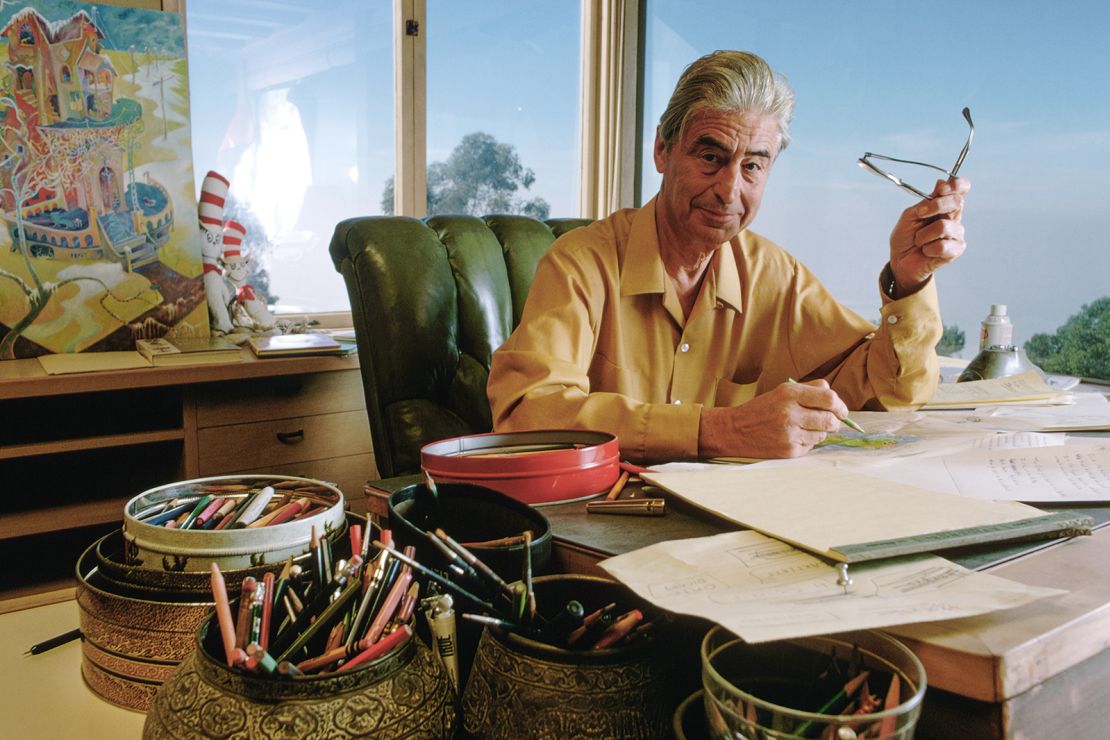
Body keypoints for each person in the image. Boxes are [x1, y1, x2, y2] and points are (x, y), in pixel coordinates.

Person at [486, 50, 969, 463]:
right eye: (711, 157)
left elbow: (883, 394)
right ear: (662, 150)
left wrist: (909, 282)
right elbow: (527, 415)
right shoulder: (580, 263)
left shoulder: (774, 274)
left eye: (753, 166)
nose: (729, 191)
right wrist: (720, 430)